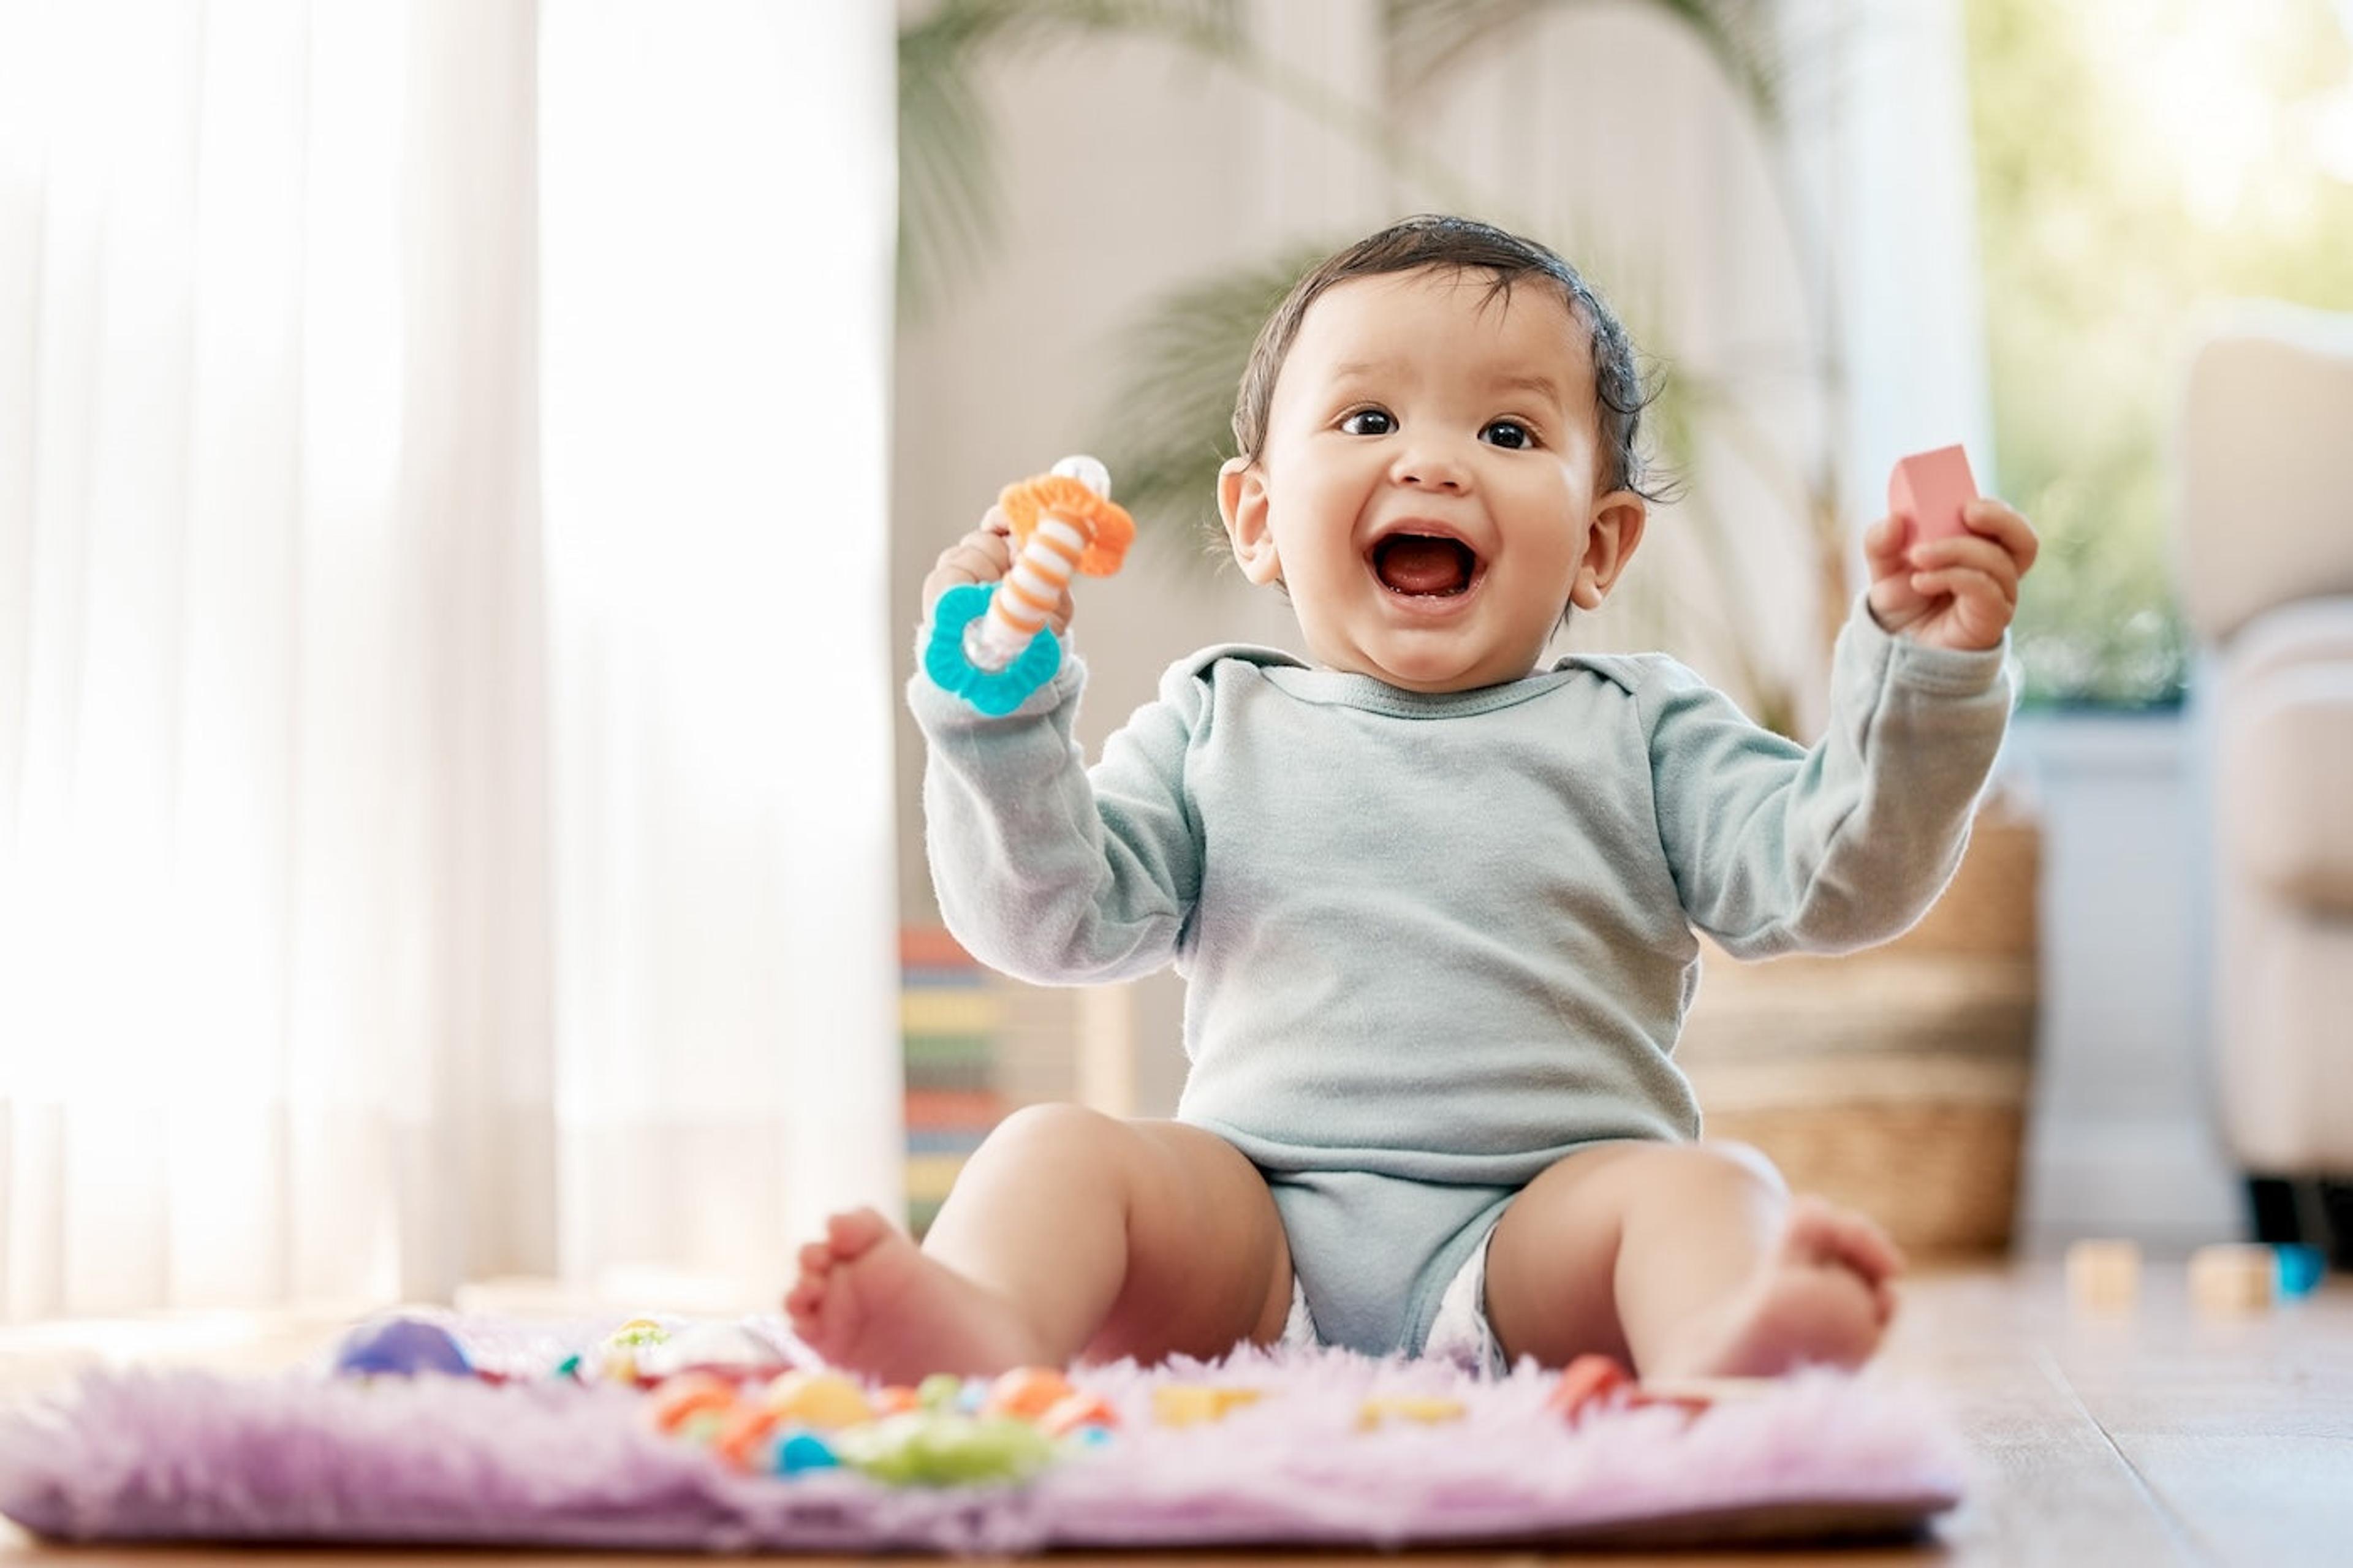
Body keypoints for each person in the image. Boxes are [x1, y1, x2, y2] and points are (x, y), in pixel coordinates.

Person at [787, 214, 2038, 1388]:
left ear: (1599, 546)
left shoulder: (1643, 729)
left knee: (1711, 1191)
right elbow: (1051, 919)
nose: (1432, 459)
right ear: (1260, 517)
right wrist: (1000, 721)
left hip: (1539, 1226)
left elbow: (1838, 873)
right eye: (1369, 415)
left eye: (1509, 434)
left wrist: (1922, 672)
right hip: (1251, 1223)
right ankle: (984, 1325)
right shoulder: (1216, 720)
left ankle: (1725, 1347)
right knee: (1054, 1148)